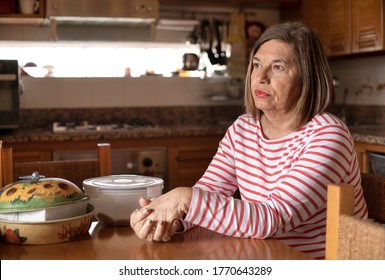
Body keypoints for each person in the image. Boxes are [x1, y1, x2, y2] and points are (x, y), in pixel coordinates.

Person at [130, 21, 368, 260]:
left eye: (278, 67)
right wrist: (170, 220)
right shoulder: (243, 128)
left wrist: (184, 199)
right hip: (263, 257)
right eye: (256, 65)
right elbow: (211, 192)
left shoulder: (328, 136)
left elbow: (272, 218)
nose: (261, 77)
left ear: (308, 78)